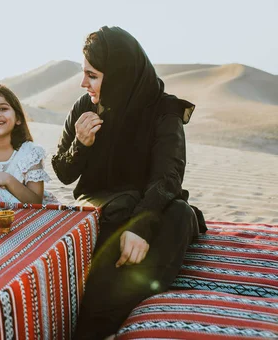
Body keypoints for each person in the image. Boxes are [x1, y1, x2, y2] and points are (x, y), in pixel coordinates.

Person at [51, 26, 207, 339]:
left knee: (179, 216)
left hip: (153, 205)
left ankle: (104, 318)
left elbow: (168, 176)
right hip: (104, 209)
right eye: (84, 74)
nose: (84, 83)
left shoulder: (164, 110)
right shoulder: (84, 107)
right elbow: (63, 172)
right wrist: (80, 143)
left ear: (119, 74)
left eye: (92, 75)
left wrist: (141, 226)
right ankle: (96, 318)